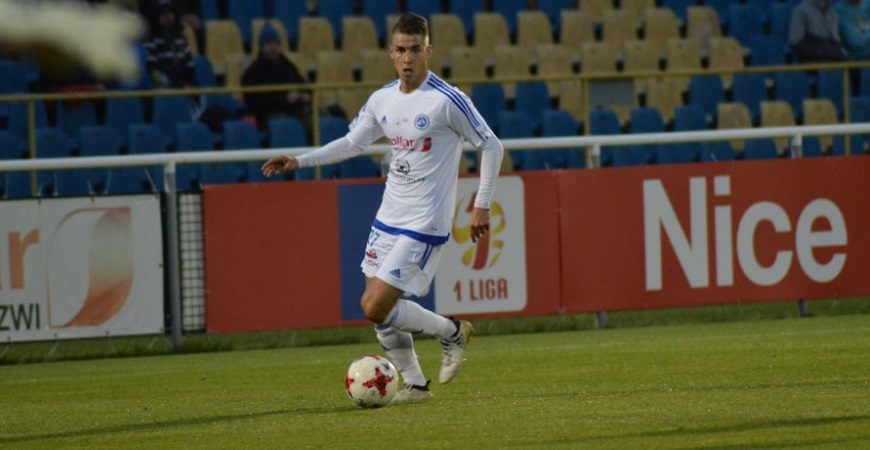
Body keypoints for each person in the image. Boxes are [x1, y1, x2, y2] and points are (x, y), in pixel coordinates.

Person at [261, 13, 504, 403]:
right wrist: (299, 161)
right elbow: (352, 143)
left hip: (425, 221)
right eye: (401, 50)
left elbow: (491, 145)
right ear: (390, 52)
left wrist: (483, 204)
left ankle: (451, 332)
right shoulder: (382, 99)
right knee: (381, 314)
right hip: (388, 217)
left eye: (415, 50)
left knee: (374, 306)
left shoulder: (447, 100)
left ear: (428, 51)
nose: (408, 59)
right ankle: (416, 384)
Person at [241, 23, 312, 134]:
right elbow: (255, 105)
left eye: (276, 43)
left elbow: (303, 86)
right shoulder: (252, 73)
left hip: (294, 112)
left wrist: (305, 96)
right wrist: (284, 100)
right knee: (285, 124)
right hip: (269, 116)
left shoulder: (287, 66)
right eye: (269, 43)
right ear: (261, 47)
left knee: (320, 118)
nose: (273, 47)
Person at [143, 0, 196, 88]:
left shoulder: (181, 39)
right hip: (166, 88)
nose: (167, 16)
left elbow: (190, 64)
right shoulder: (151, 41)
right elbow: (153, 70)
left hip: (185, 85)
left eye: (170, 12)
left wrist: (190, 83)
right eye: (163, 13)